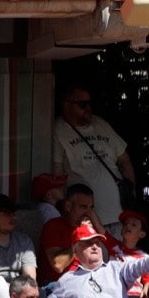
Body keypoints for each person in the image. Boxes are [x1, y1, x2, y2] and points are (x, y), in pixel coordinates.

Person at [50, 86, 136, 231]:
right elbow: (57, 175)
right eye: (82, 104)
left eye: (90, 103)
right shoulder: (58, 129)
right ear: (67, 104)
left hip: (120, 216)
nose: (88, 108)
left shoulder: (100, 123)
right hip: (88, 220)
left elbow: (124, 161)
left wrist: (131, 194)